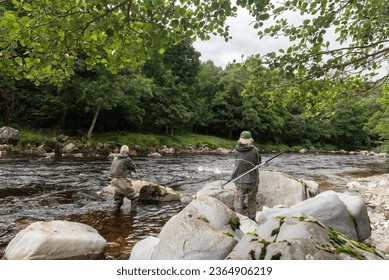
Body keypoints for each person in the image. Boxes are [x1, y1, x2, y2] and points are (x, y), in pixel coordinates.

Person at [230, 131, 261, 220]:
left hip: (240, 180)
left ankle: (241, 221)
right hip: (253, 180)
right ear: (250, 140)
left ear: (241, 139)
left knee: (239, 202)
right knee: (252, 201)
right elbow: (259, 163)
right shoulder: (256, 150)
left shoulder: (236, 151)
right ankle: (251, 220)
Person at [109, 145, 139, 212]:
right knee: (134, 197)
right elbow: (133, 167)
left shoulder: (115, 158)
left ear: (120, 151)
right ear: (127, 152)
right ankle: (133, 214)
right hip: (123, 180)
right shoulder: (127, 159)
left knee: (118, 200)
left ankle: (115, 215)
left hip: (114, 181)